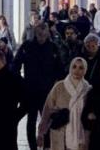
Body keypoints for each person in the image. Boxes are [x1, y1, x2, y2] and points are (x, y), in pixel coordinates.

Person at [14, 22, 64, 150]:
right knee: (31, 120)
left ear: (48, 33)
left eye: (44, 33)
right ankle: (33, 147)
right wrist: (21, 82)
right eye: (39, 33)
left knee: (47, 120)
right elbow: (15, 65)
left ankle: (46, 145)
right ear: (35, 33)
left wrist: (57, 86)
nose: (41, 36)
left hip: (47, 92)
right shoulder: (27, 46)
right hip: (30, 90)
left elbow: (60, 69)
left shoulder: (53, 48)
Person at [37, 57, 91, 150]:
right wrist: (41, 132)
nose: (77, 70)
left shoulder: (88, 89)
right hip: (60, 132)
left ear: (85, 70)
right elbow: (47, 108)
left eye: (81, 68)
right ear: (70, 68)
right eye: (74, 67)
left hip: (80, 134)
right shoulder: (59, 86)